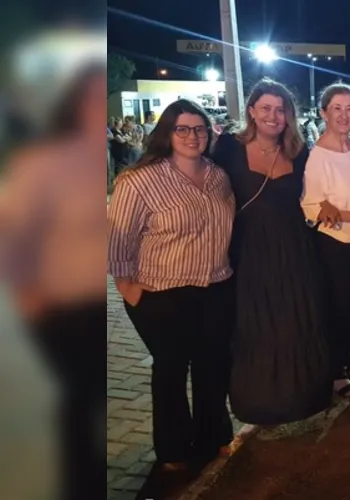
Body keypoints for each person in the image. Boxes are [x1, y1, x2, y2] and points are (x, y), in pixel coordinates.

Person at [107, 99, 236, 473]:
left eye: (200, 128)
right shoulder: (139, 180)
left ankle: (214, 436)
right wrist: (128, 289)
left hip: (216, 287)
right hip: (163, 294)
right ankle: (173, 447)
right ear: (168, 133)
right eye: (183, 129)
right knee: (170, 372)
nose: (192, 136)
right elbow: (118, 241)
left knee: (213, 368)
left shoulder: (217, 176)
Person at [1, 61, 108, 500]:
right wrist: (26, 292)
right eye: (94, 99)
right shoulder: (42, 162)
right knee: (77, 404)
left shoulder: (96, 158)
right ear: (76, 105)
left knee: (93, 401)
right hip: (63, 307)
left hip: (100, 303)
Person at [211, 78, 332, 425]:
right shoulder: (228, 148)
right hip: (248, 250)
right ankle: (259, 402)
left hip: (294, 249)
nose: (273, 116)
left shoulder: (299, 149)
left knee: (296, 319)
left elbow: (316, 192)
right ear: (251, 111)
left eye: (281, 110)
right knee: (257, 323)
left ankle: (303, 397)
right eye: (265, 108)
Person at [301, 83, 350, 397]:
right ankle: (333, 375)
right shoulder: (319, 155)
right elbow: (310, 206)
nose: (344, 115)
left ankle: (344, 359)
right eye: (337, 109)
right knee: (337, 310)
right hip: (334, 244)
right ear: (323, 113)